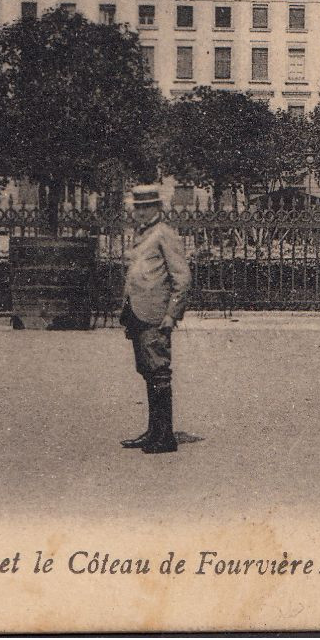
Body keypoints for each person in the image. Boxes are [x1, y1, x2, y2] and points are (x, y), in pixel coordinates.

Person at [119, 184, 191, 455]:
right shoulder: (141, 234)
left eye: (145, 206)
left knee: (159, 370)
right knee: (148, 370)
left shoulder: (165, 234)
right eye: (137, 207)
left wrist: (172, 314)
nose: (139, 212)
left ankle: (166, 437)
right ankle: (153, 431)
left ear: (157, 208)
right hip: (137, 312)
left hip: (156, 314)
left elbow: (182, 279)